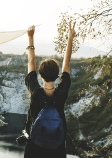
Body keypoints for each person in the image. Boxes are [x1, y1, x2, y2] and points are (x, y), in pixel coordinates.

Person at [22, 22, 76, 158]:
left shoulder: (35, 93)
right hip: (57, 148)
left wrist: (30, 37)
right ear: (58, 75)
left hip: (34, 147)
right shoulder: (61, 94)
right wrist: (70, 38)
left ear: (40, 75)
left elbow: (31, 62)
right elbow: (67, 63)